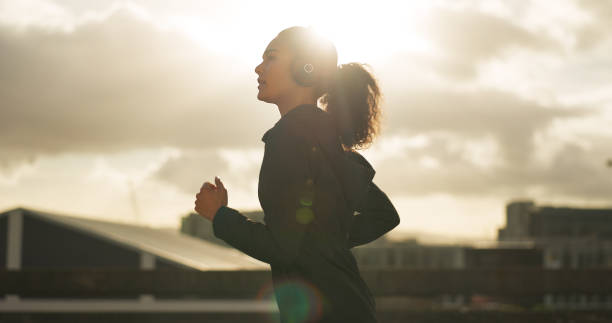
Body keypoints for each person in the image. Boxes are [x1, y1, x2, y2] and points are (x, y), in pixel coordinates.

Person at [194, 26, 400, 323]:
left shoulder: (288, 137)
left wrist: (220, 216)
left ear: (306, 69)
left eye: (271, 57)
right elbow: (384, 215)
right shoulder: (331, 143)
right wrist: (325, 241)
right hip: (352, 304)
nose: (258, 67)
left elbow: (280, 248)